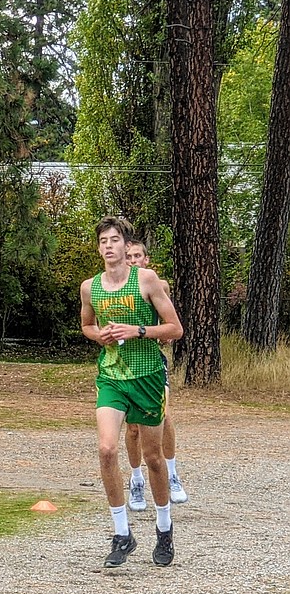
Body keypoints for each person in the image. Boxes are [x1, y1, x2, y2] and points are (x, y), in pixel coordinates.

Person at [79, 217, 183, 568]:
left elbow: (175, 328)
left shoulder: (147, 280)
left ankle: (164, 528)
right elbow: (87, 325)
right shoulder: (89, 287)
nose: (108, 246)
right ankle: (122, 534)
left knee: (153, 458)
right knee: (107, 450)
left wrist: (137, 329)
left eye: (114, 240)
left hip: (148, 376)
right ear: (99, 248)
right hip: (111, 377)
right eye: (103, 241)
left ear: (126, 246)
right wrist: (99, 336)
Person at [124, 239, 188, 510]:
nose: (133, 260)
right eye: (129, 256)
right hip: (123, 363)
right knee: (133, 426)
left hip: (151, 361)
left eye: (137, 255)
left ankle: (172, 474)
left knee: (163, 416)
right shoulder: (110, 287)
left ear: (146, 259)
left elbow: (169, 323)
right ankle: (136, 479)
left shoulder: (157, 285)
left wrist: (164, 335)